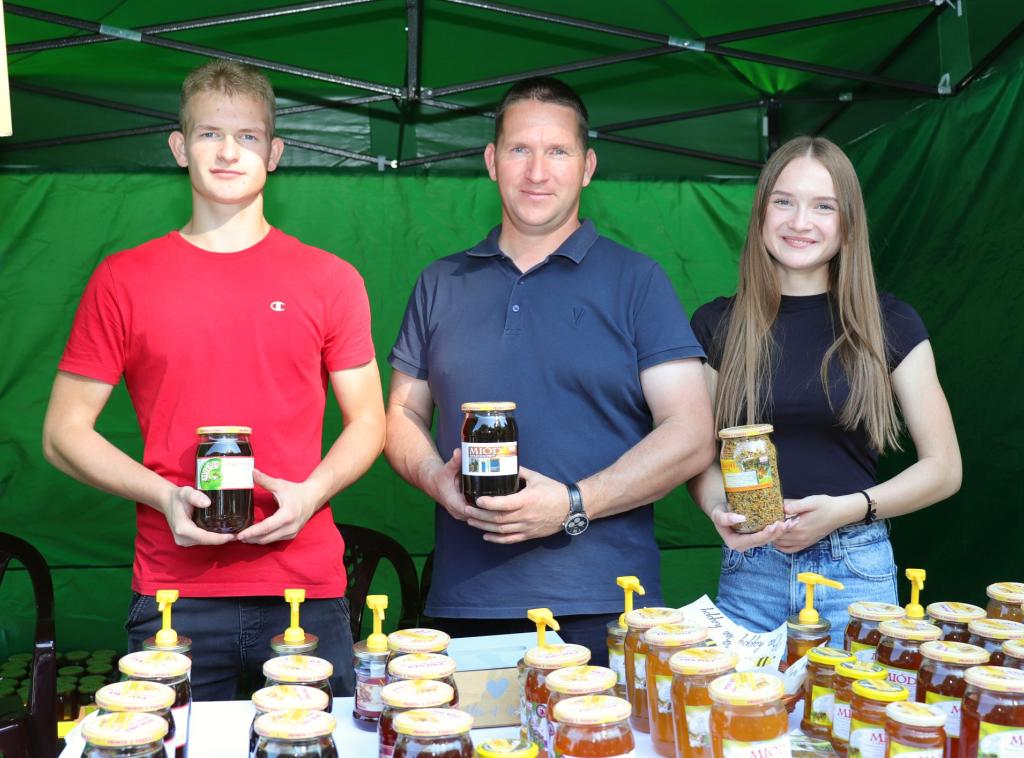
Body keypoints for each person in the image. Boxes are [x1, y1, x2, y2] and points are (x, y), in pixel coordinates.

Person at [41, 60, 385, 699]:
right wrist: (162, 496)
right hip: (175, 597)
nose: (229, 152)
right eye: (210, 134)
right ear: (180, 147)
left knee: (313, 741)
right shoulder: (123, 279)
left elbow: (370, 420)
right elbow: (63, 433)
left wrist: (311, 494)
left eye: (248, 136)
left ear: (274, 153)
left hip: (304, 592)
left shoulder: (331, 279)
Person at [384, 76, 715, 660]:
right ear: (492, 161)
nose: (537, 172)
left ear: (587, 166)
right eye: (520, 149)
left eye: (558, 151)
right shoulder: (441, 282)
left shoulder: (638, 280)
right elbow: (402, 413)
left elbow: (690, 434)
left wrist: (573, 504)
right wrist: (434, 477)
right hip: (465, 605)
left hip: (609, 605)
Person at [687, 136, 961, 639]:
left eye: (823, 206)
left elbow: (944, 469)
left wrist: (846, 510)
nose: (800, 222)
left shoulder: (891, 322)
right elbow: (698, 455)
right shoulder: (715, 324)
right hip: (751, 570)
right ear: (761, 211)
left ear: (847, 221)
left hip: (855, 571)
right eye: (783, 202)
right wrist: (718, 508)